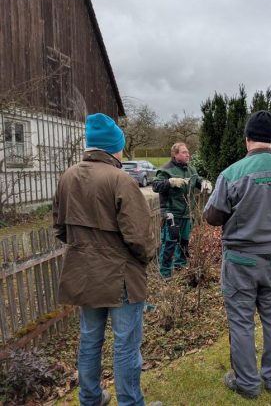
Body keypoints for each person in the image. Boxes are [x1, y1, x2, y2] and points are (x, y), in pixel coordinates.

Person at [53, 113, 161, 406]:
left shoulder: (67, 177)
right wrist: (147, 257)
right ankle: (130, 402)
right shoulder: (120, 179)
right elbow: (140, 237)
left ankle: (90, 399)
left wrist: (85, 249)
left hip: (83, 275)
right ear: (115, 146)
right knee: (126, 344)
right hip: (120, 277)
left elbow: (59, 228)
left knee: (90, 340)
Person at [204, 111, 271, 399]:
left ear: (247, 138)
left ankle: (246, 382)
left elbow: (212, 216)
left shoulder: (232, 173)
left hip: (240, 261)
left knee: (241, 321)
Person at [152, 142, 213, 278]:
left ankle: (180, 268)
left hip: (187, 213)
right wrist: (170, 182)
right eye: (184, 152)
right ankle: (165, 274)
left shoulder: (191, 169)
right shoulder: (166, 170)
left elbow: (196, 179)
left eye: (188, 152)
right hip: (171, 213)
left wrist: (204, 182)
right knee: (169, 244)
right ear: (175, 154)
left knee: (184, 243)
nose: (188, 155)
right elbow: (155, 186)